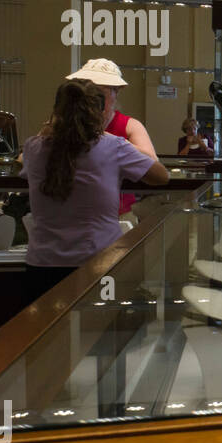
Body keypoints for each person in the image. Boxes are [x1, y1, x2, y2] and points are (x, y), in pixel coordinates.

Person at [20, 80, 168, 299]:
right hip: (98, 262)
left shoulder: (33, 147)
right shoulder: (113, 146)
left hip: (42, 264)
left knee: (49, 332)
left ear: (56, 111)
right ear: (99, 112)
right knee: (98, 331)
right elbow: (161, 176)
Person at [67, 58, 158, 216]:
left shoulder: (129, 125)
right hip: (72, 213)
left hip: (117, 214)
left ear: (117, 92)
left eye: (99, 93)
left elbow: (152, 162)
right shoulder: (65, 123)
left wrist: (104, 137)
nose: (92, 99)